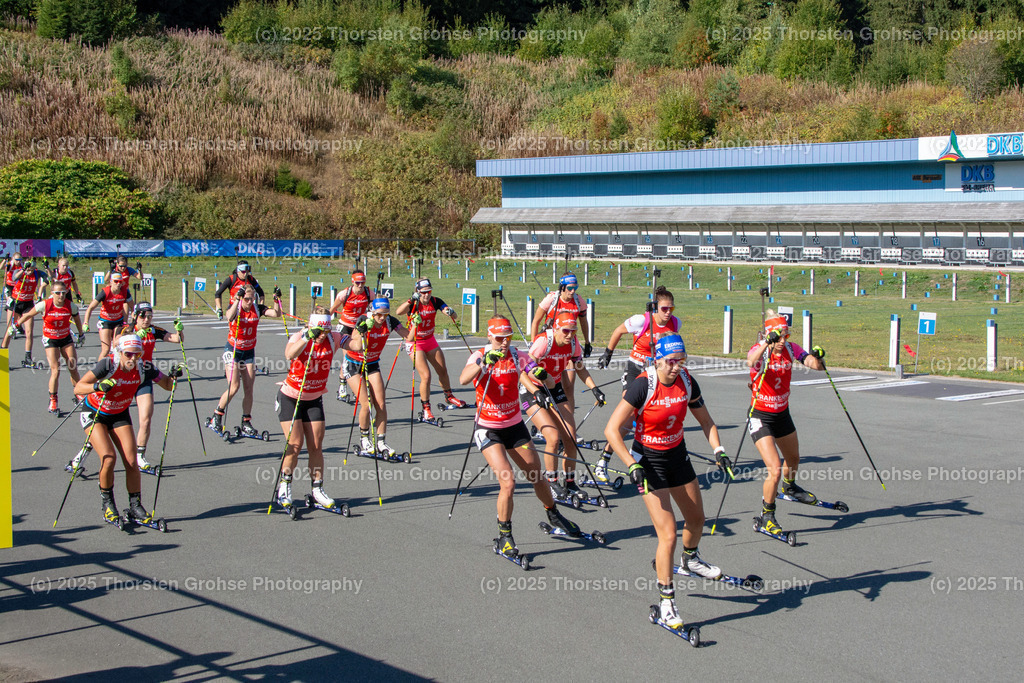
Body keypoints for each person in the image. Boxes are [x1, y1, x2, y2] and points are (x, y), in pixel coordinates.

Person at [604, 334, 727, 631]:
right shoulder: (643, 384)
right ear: (657, 360)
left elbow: (707, 422)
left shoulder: (686, 381)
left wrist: (719, 451)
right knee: (668, 534)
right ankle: (666, 603)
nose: (675, 367)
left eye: (680, 361)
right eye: (670, 361)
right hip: (648, 461)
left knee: (696, 520)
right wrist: (631, 464)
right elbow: (611, 430)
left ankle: (690, 559)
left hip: (677, 455)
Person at [459, 317, 582, 559]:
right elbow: (463, 379)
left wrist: (541, 374)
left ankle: (553, 513)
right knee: (508, 482)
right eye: (499, 338)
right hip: (488, 429)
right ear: (489, 336)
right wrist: (484, 362)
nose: (504, 343)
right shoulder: (479, 355)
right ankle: (504, 536)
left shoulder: (517, 355)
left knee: (536, 476)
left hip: (514, 426)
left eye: (508, 337)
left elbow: (549, 381)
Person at [72, 334, 182, 525]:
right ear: (120, 352)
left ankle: (135, 505)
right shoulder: (108, 365)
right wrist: (98, 386)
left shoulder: (145, 368)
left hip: (119, 414)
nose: (133, 358)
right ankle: (108, 504)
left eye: (137, 354)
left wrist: (173, 376)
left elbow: (167, 385)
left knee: (131, 462)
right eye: (128, 354)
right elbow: (79, 388)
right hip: (95, 413)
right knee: (109, 457)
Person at [746, 311, 826, 537]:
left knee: (793, 458)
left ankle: (789, 486)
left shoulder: (791, 349)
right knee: (774, 468)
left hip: (782, 413)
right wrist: (766, 343)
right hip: (760, 416)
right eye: (778, 337)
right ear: (769, 335)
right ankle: (767, 515)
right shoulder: (760, 350)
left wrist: (818, 358)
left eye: (785, 336)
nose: (783, 341)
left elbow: (815, 365)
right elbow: (751, 361)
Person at [275, 307, 362, 511]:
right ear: (311, 326)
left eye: (326, 330)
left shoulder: (333, 338)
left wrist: (361, 328)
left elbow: (357, 346)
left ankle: (317, 490)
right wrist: (307, 337)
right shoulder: (300, 336)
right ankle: (284, 487)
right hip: (291, 397)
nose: (323, 335)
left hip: (314, 398)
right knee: (295, 445)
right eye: (319, 330)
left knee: (316, 446)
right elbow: (289, 354)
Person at [593, 286, 682, 482]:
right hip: (635, 369)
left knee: (650, 414)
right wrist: (608, 353)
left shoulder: (676, 323)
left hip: (655, 372)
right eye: (664, 309)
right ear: (655, 307)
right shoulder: (642, 320)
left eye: (671, 309)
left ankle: (641, 455)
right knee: (628, 416)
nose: (668, 313)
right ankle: (604, 460)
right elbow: (618, 331)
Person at [522, 312, 605, 500]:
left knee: (571, 436)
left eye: (573, 331)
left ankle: (570, 483)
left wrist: (594, 388)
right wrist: (536, 391)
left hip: (554, 386)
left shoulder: (573, 343)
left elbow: (579, 367)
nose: (570, 335)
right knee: (552, 437)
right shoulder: (544, 342)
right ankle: (551, 482)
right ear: (556, 329)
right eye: (566, 331)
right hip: (532, 388)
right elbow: (524, 371)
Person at [113, 302, 184, 473]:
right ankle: (85, 451)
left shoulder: (153, 330)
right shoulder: (124, 329)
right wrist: (133, 335)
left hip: (144, 374)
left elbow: (177, 339)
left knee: (146, 418)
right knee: (107, 416)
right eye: (143, 316)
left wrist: (179, 330)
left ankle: (139, 455)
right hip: (123, 376)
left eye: (149, 316)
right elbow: (115, 343)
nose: (146, 319)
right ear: (135, 316)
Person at [208, 285, 282, 437]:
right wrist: (237, 299)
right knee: (234, 386)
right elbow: (229, 317)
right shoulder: (236, 307)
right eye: (246, 299)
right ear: (242, 298)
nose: (249, 302)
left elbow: (276, 314)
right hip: (233, 350)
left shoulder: (257, 308)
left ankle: (246, 422)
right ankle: (216, 416)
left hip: (248, 352)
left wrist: (277, 300)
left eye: (252, 298)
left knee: (249, 389)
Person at [343, 297, 412, 458]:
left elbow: (409, 337)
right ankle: (364, 439)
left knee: (380, 404)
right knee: (367, 404)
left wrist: (415, 324)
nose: (382, 318)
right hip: (354, 364)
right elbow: (355, 341)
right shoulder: (364, 319)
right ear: (372, 313)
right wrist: (362, 329)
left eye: (385, 314)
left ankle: (381, 442)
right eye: (379, 314)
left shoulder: (390, 321)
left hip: (372, 363)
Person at [394, 278, 467, 421]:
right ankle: (426, 408)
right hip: (415, 342)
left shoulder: (435, 301)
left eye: (428, 291)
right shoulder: (414, 303)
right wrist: (410, 300)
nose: (426, 295)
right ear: (418, 292)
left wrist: (451, 312)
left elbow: (452, 314)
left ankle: (449, 396)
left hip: (429, 339)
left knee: (442, 370)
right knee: (426, 376)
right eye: (423, 292)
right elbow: (398, 312)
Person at [15, 282, 85, 413]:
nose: (61, 295)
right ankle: (53, 400)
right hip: (50, 339)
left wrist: (81, 334)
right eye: (58, 293)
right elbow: (29, 314)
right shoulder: (45, 305)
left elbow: (77, 320)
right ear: (52, 293)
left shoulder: (70, 306)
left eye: (63, 292)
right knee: (55, 370)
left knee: (73, 367)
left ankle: (78, 393)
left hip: (65, 338)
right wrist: (17, 324)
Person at [530, 272, 594, 413]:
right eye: (570, 288)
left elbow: (583, 322)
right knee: (546, 383)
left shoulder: (578, 301)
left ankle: (569, 420)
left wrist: (587, 342)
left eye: (575, 287)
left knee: (568, 387)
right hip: (549, 346)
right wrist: (533, 343)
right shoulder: (552, 299)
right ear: (562, 287)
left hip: (568, 345)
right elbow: (536, 321)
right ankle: (543, 418)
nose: (573, 291)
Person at [329, 270, 376, 400]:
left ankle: (358, 387)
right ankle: (342, 387)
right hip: (345, 326)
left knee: (359, 356)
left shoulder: (369, 293)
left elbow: (375, 308)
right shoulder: (345, 294)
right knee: (348, 357)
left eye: (362, 283)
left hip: (359, 327)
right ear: (353, 282)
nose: (360, 286)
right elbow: (332, 309)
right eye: (357, 283)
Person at [1, 255, 49, 366]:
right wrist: (23, 270)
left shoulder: (36, 273)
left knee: (29, 332)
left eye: (32, 268)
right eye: (28, 268)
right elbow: (14, 278)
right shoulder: (19, 271)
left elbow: (49, 278)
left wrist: (47, 268)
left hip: (28, 304)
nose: (29, 271)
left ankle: (28, 358)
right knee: (9, 331)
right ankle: (2, 359)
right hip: (16, 303)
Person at [83, 272, 133, 360]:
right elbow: (90, 308)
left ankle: (115, 367)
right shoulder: (105, 292)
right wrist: (86, 322)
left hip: (118, 321)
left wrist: (132, 323)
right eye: (116, 281)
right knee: (106, 350)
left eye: (120, 282)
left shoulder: (125, 292)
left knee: (117, 348)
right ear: (111, 282)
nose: (118, 284)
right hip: (105, 321)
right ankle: (99, 368)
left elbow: (133, 308)